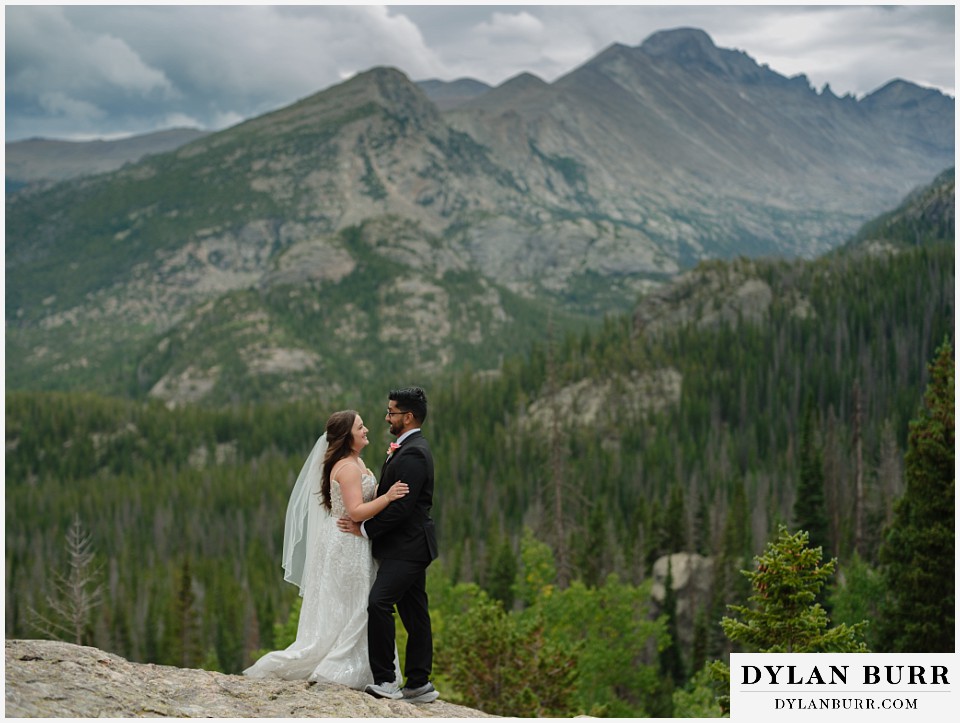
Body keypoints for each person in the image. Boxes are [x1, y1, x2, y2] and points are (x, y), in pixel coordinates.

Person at [243, 410, 408, 688]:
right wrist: (389, 497)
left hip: (353, 541)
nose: (366, 429)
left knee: (354, 602)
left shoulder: (356, 461)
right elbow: (355, 512)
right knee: (354, 604)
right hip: (346, 541)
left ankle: (368, 667)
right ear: (347, 436)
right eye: (360, 426)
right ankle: (340, 665)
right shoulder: (346, 467)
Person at [337, 387, 439, 703]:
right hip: (407, 546)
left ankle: (386, 681)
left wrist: (364, 529)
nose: (386, 417)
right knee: (415, 612)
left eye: (392, 412)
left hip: (407, 547)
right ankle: (419, 685)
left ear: (407, 417)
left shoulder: (414, 453)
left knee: (379, 603)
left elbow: (402, 508)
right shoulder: (407, 448)